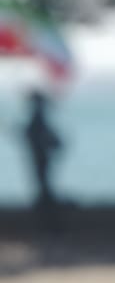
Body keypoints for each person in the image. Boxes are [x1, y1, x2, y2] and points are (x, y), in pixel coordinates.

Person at [22, 88, 64, 231]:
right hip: (40, 159)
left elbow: (46, 139)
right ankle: (49, 222)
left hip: (41, 159)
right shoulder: (38, 118)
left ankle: (49, 223)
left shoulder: (38, 118)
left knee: (44, 188)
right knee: (44, 188)